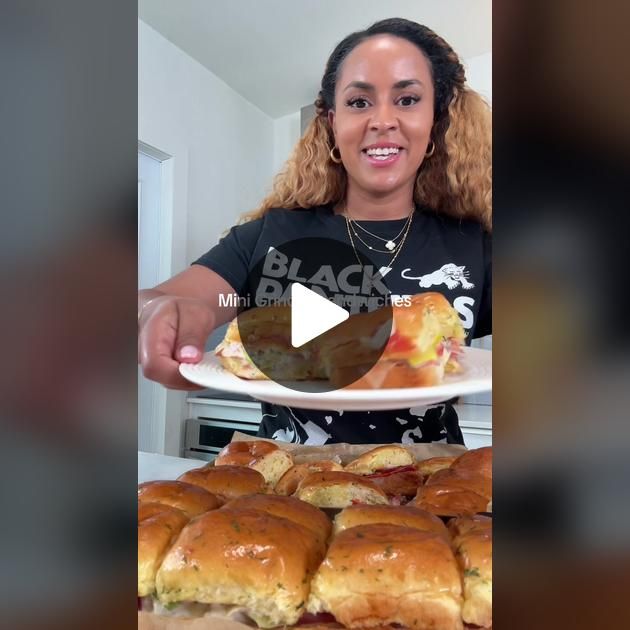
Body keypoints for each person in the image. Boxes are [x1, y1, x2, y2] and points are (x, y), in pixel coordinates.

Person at [138, 17, 491, 446]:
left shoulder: (474, 245)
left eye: (408, 99)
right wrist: (160, 314)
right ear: (330, 121)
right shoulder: (271, 234)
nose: (382, 120)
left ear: (435, 119)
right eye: (359, 102)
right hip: (285, 487)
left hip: (434, 492)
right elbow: (158, 300)